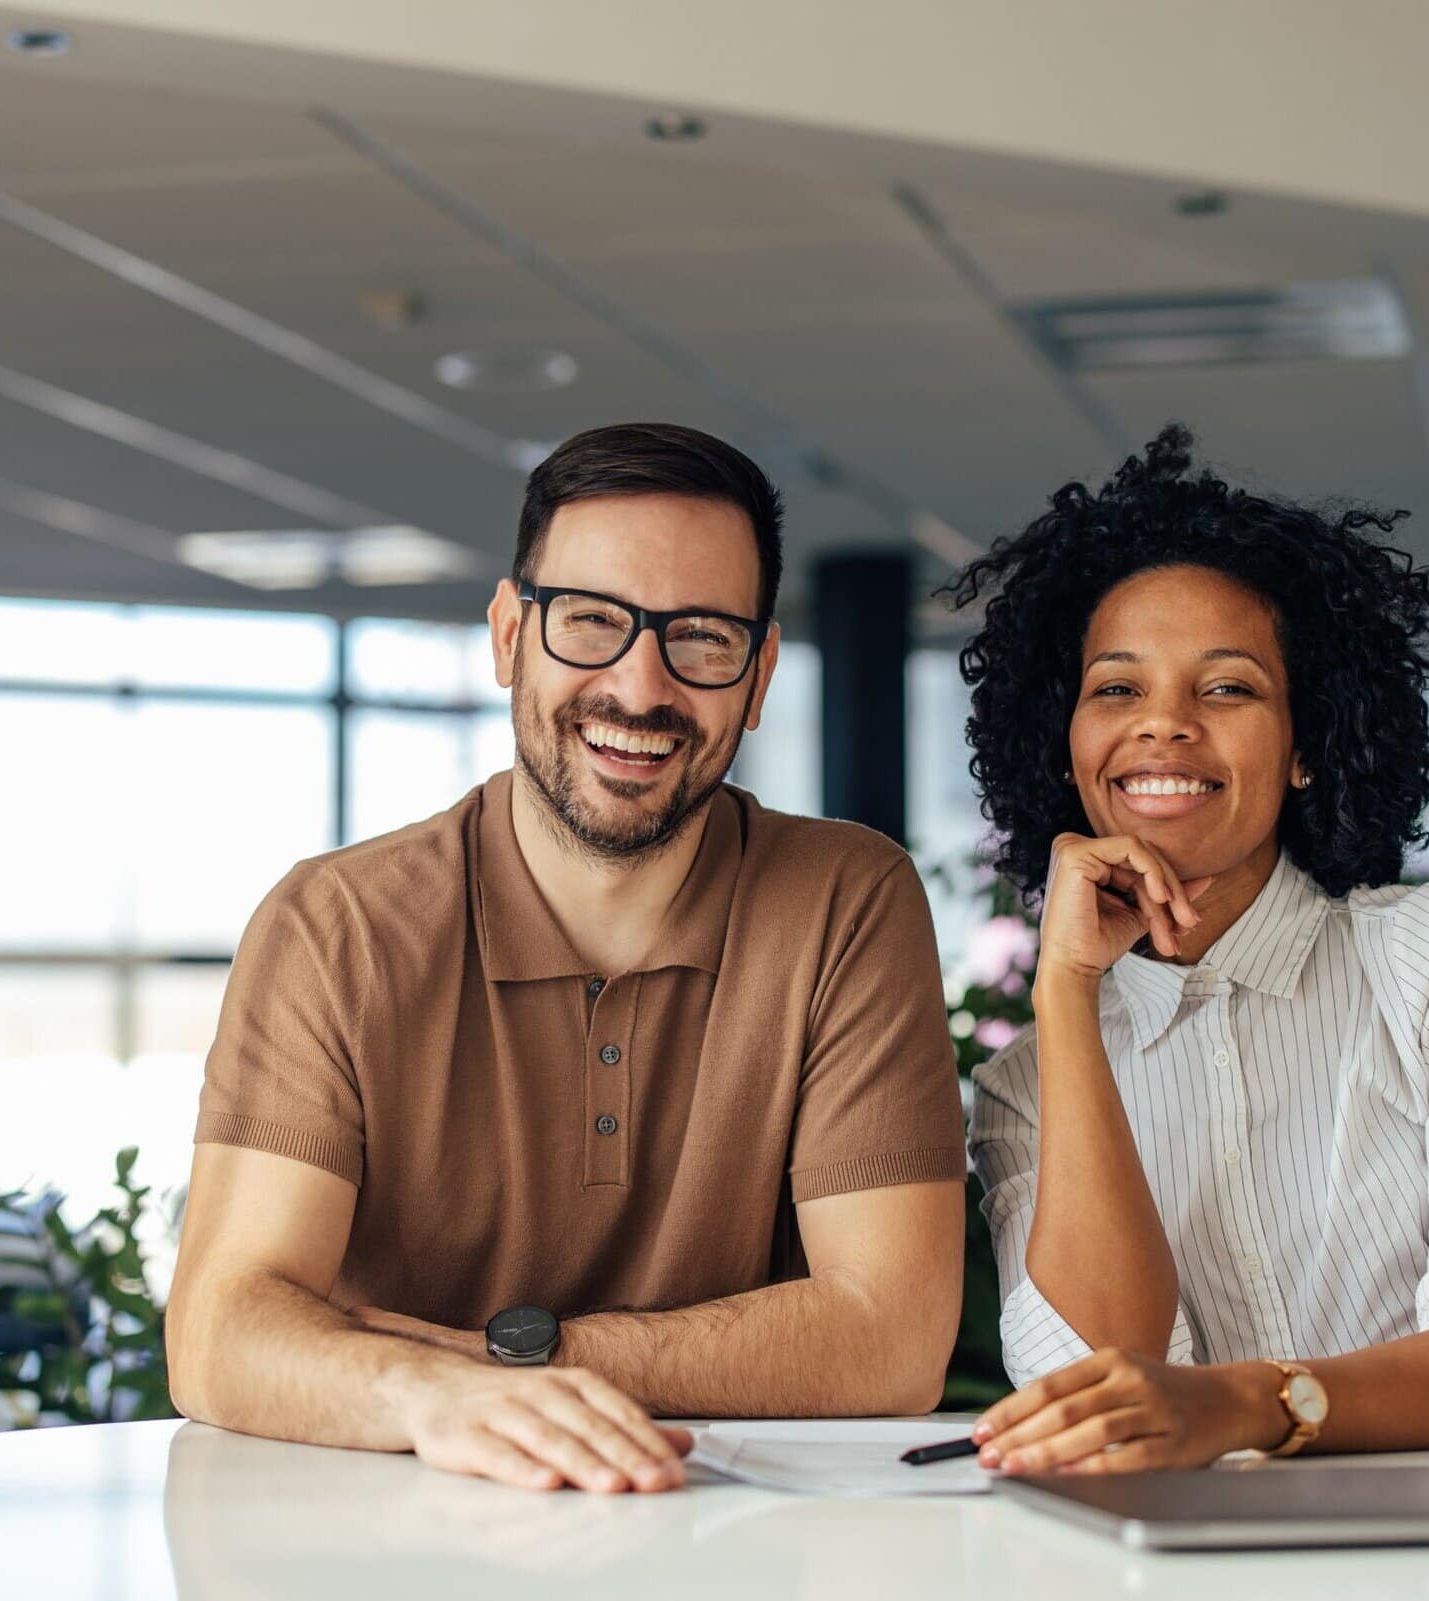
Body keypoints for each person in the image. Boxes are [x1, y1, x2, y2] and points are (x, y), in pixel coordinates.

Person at [166, 422, 965, 1493]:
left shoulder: (844, 901)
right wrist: (427, 1396)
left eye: (701, 636)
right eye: (591, 621)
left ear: (759, 672)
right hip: (388, 1541)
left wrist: (510, 1362)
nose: (639, 687)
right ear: (508, 635)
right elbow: (221, 1327)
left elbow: (890, 1339)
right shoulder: (336, 924)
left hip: (720, 1538)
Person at [952, 424, 1429, 1475]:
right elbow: (1098, 1381)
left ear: (1306, 745)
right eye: (1115, 688)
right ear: (1065, 746)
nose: (1161, 725)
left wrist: (1247, 1403)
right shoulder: (1030, 1083)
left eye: (1225, 687)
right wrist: (1067, 993)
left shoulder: (1413, 967)